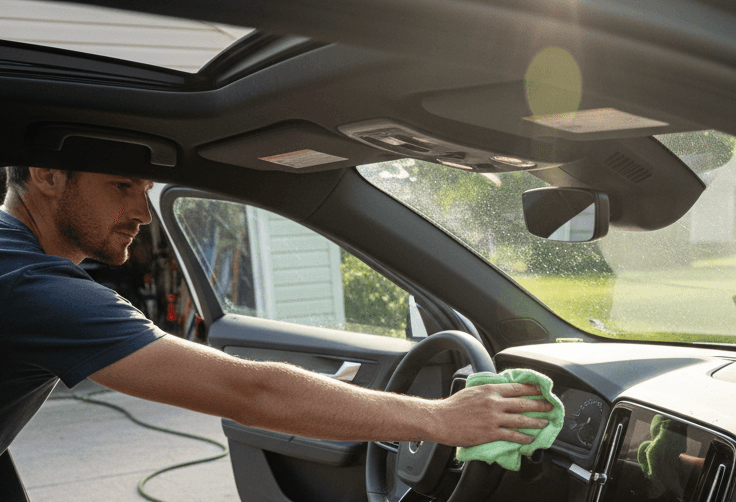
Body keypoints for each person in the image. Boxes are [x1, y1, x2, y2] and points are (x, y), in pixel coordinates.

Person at [0, 166, 551, 459]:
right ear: (47, 175)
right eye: (122, 186)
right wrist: (442, 420)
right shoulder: (30, 284)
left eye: (146, 190)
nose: (143, 213)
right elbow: (251, 393)